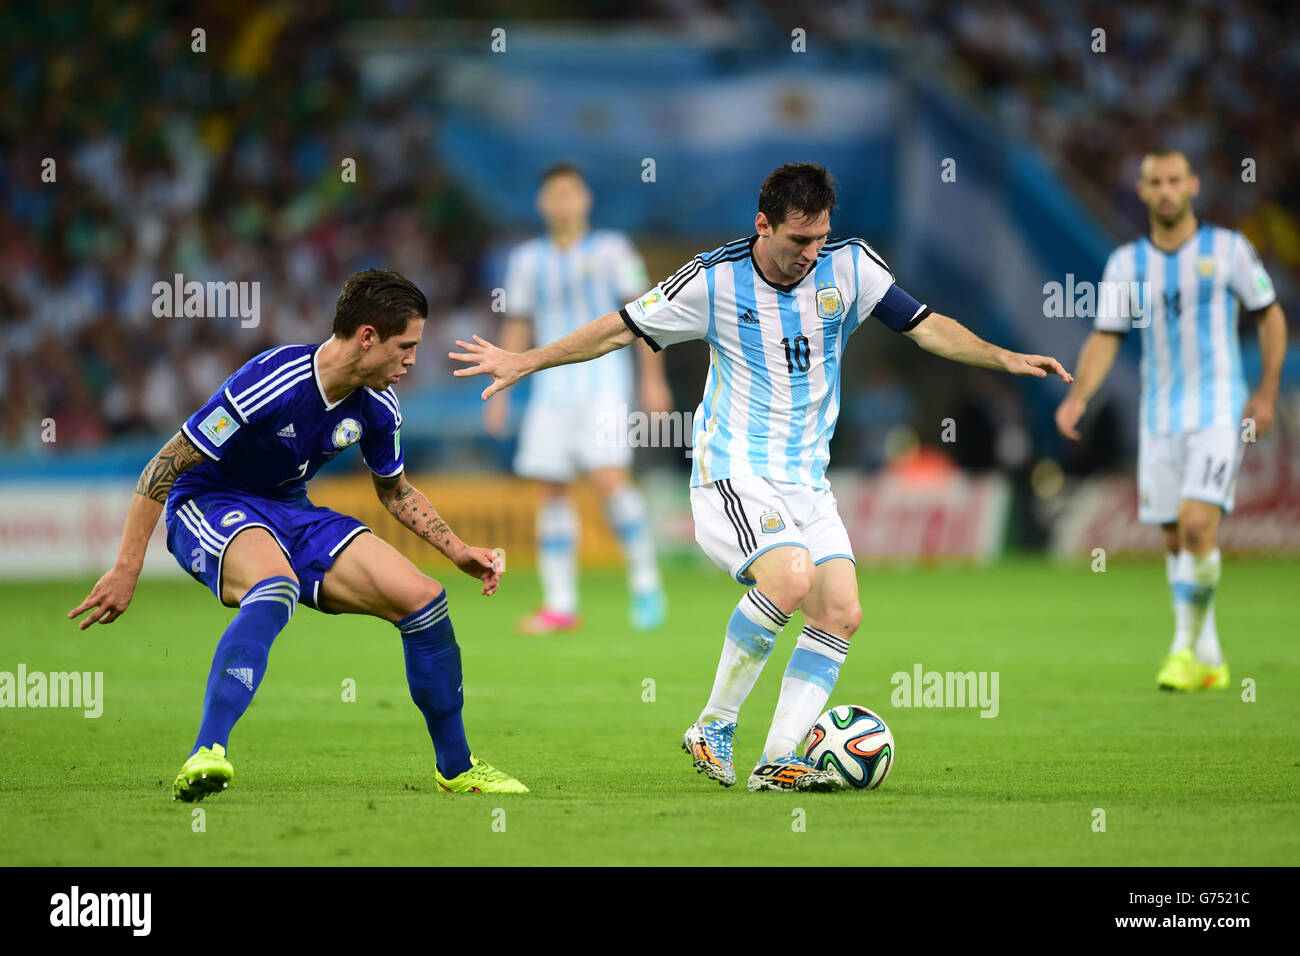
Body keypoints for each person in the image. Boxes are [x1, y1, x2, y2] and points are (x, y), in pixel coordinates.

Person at [453, 163, 1071, 791]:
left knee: (840, 610)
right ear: (763, 224)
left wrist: (1003, 357)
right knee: (791, 576)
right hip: (733, 471)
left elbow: (926, 325)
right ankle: (713, 724)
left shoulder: (852, 266)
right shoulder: (713, 280)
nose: (811, 253)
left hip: (808, 481)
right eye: (798, 240)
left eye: (820, 238)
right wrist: (526, 360)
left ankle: (776, 759)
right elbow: (619, 327)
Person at [68, 269, 528, 799]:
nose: (412, 361)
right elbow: (166, 463)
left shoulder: (377, 405)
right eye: (407, 346)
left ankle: (457, 768)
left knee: (424, 600)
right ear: (368, 336)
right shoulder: (273, 380)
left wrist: (457, 550)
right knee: (275, 586)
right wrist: (128, 566)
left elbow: (395, 492)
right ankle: (207, 752)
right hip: (211, 501)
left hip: (290, 510)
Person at [1055, 150, 1286, 692]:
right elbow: (1107, 335)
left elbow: (1270, 313)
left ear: (1193, 186)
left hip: (1217, 410)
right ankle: (1209, 657)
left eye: (1174, 180)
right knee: (1176, 538)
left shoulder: (1227, 249)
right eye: (1154, 181)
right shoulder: (1126, 263)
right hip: (1159, 417)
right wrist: (1078, 397)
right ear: (1141, 190)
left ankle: (1182, 650)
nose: (1164, 190)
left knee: (1198, 523)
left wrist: (1268, 391)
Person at [488, 163, 671, 633]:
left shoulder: (614, 250)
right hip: (550, 392)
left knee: (610, 480)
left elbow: (647, 315)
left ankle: (647, 586)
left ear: (585, 200)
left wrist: (653, 380)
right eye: (554, 194)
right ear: (541, 203)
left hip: (603, 386)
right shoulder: (527, 259)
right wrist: (501, 388)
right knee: (550, 489)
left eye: (570, 193)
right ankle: (561, 605)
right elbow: (518, 323)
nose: (562, 202)